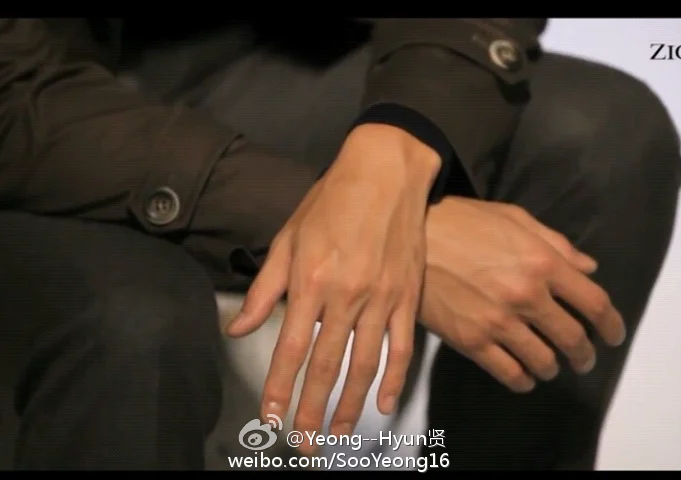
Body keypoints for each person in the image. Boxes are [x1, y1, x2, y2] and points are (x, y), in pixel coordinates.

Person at [0, 18, 678, 470]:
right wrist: (342, 214)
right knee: (137, 315)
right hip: (32, 109)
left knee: (600, 136)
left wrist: (400, 144)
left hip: (238, 63)